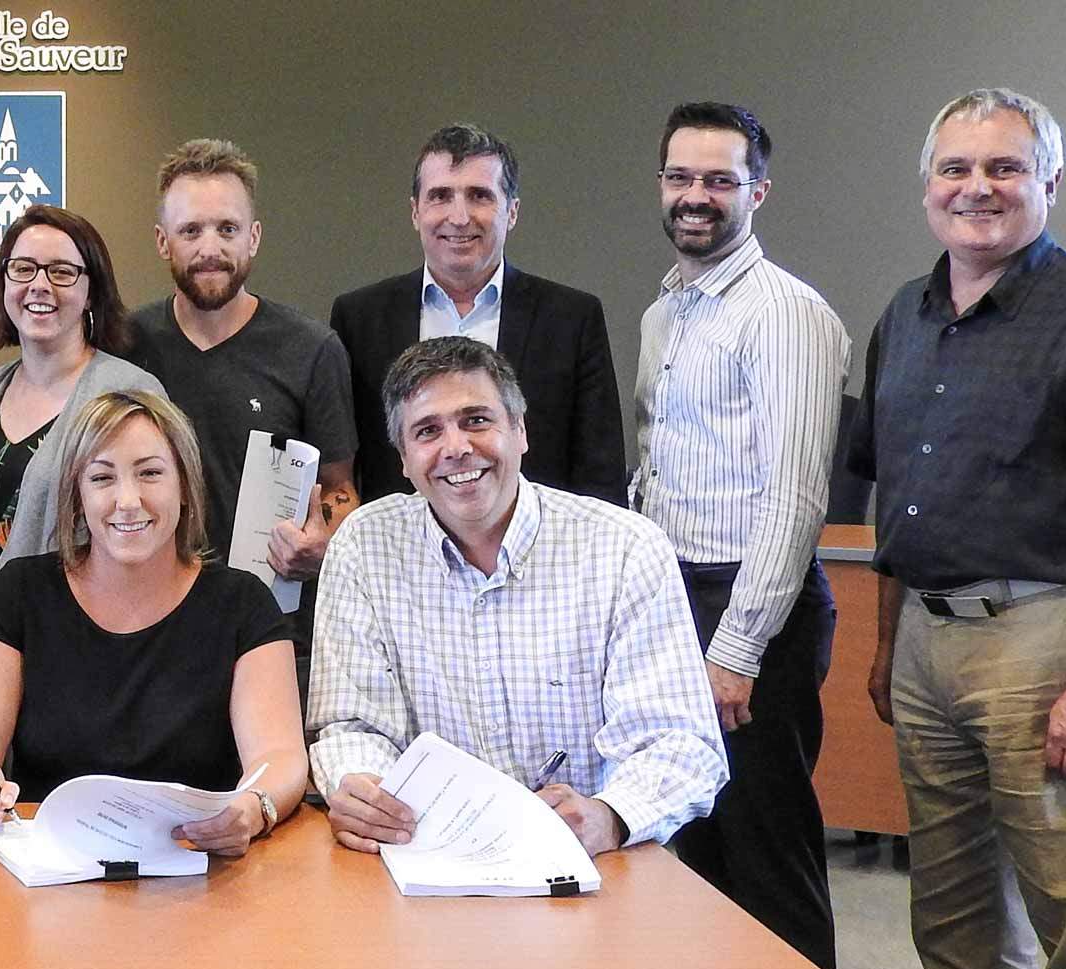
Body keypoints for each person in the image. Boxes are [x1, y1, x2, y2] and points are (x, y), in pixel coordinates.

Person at [848, 88, 1066, 969]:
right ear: (928, 186)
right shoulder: (904, 318)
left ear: (1051, 181)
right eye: (956, 167)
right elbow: (895, 498)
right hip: (924, 639)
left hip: (1044, 641)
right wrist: (884, 648)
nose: (978, 187)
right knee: (950, 917)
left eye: (1005, 167)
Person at [309, 337, 725, 857]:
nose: (456, 447)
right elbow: (352, 725)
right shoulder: (365, 546)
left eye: (477, 420)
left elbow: (680, 743)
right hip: (426, 858)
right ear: (403, 458)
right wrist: (361, 785)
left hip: (593, 867)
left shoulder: (625, 548)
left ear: (520, 431)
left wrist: (611, 814)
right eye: (428, 431)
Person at [633, 102, 850, 969]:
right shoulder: (667, 310)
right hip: (676, 598)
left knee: (769, 853)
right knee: (701, 852)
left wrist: (737, 649)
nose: (698, 196)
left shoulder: (783, 312)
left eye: (720, 180)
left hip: (751, 609)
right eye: (682, 177)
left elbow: (796, 498)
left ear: (757, 190)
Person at [0, 391, 306, 855]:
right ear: (78, 495)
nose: (127, 501)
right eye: (102, 477)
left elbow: (281, 755)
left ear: (186, 486)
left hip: (200, 873)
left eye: (150, 473)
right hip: (53, 874)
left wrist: (254, 808)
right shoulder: (20, 592)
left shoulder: (242, 603)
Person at [123, 139, 359, 697]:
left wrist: (323, 542)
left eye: (227, 229)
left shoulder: (312, 349)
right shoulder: (124, 347)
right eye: (191, 231)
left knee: (272, 785)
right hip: (145, 630)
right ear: (163, 242)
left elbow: (341, 489)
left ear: (253, 237)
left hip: (273, 636)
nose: (210, 248)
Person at [330, 123, 625, 506]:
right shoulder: (359, 318)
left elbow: (600, 476)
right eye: (440, 196)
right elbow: (344, 469)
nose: (459, 216)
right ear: (415, 212)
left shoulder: (571, 319)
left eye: (479, 196)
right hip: (400, 557)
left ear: (512, 211)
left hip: (538, 557)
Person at [0, 205, 164, 646]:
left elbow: (156, 531)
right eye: (23, 269)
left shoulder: (130, 393)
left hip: (69, 646)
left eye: (61, 271)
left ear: (91, 291)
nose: (39, 285)